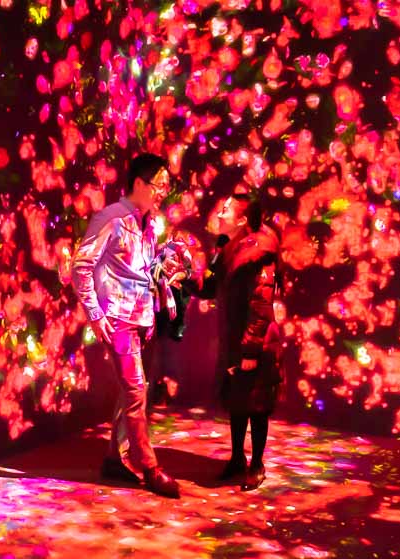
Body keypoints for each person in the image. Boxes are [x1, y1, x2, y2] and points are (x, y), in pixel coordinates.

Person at [71, 153, 181, 498]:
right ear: (138, 183)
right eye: (159, 185)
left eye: (166, 186)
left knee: (130, 391)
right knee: (137, 392)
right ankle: (148, 466)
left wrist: (163, 266)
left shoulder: (147, 223)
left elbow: (140, 272)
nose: (163, 192)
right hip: (118, 320)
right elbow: (80, 267)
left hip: (140, 319)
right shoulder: (111, 218)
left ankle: (113, 459)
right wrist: (96, 314)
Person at [185, 193, 283, 491]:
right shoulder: (226, 248)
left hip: (256, 342)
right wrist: (187, 277)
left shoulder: (260, 253)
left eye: (226, 210)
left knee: (257, 403)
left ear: (242, 221)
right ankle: (238, 457)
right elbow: (213, 287)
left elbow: (261, 302)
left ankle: (257, 464)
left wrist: (251, 348)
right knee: (238, 401)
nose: (220, 212)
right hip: (234, 340)